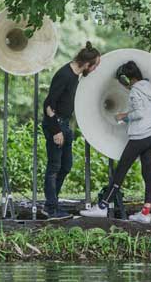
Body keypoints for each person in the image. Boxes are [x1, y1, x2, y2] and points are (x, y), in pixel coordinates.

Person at [80, 60, 151, 224]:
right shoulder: (149, 86)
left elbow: (138, 113)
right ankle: (146, 213)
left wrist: (123, 116)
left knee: (120, 172)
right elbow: (145, 107)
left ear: (127, 78)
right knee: (148, 175)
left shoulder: (134, 92)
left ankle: (102, 207)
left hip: (140, 137)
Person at [42, 42, 101, 219]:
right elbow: (48, 105)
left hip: (65, 124)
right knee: (54, 167)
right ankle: (51, 208)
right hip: (56, 125)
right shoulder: (65, 75)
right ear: (87, 64)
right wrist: (56, 131)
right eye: (95, 66)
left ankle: (51, 204)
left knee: (66, 166)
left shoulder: (77, 76)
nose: (94, 69)